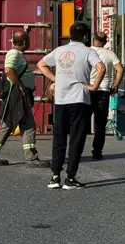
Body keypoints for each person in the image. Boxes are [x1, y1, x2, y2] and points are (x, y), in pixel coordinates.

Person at [38, 22, 106, 190]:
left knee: (59, 138)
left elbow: (41, 64)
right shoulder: (88, 51)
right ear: (85, 36)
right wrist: (94, 86)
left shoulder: (59, 50)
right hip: (79, 98)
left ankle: (55, 176)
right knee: (76, 139)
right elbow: (101, 67)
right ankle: (71, 177)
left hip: (61, 100)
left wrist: (54, 79)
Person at [0, 30, 50, 168]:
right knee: (26, 125)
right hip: (17, 94)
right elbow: (9, 70)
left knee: (11, 124)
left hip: (18, 94)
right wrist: (21, 85)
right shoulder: (14, 53)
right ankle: (31, 159)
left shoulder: (17, 54)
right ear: (25, 42)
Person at [89, 31, 124, 159]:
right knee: (100, 124)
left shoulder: (87, 52)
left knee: (81, 122)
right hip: (103, 91)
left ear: (93, 39)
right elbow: (120, 69)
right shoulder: (110, 54)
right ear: (105, 42)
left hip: (88, 89)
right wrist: (115, 85)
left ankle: (76, 150)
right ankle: (97, 152)